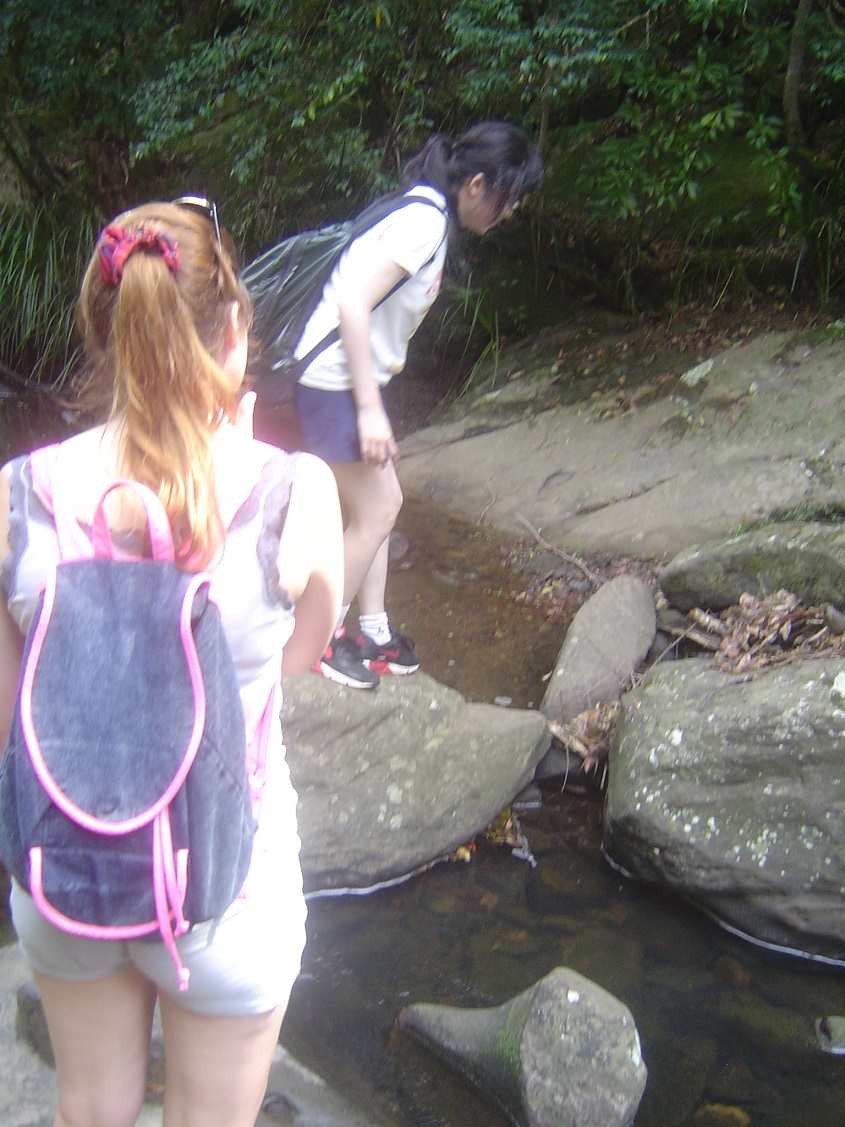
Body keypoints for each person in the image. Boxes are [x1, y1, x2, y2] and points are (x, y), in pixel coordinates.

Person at [0, 199, 344, 1127]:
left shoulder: (19, 493)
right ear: (233, 334)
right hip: (222, 883)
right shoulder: (291, 489)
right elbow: (302, 655)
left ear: (107, 336)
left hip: (67, 875)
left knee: (89, 1107)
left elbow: (12, 721)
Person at [294, 120, 544, 689]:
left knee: (380, 506)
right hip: (332, 384)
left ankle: (373, 632)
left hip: (343, 381)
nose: (508, 213)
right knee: (379, 508)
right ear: (477, 184)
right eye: (507, 199)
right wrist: (369, 409)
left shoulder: (427, 212)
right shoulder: (423, 221)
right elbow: (352, 304)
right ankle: (319, 638)